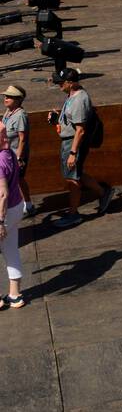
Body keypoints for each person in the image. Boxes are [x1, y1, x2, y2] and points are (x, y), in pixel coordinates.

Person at [49, 68, 113, 228]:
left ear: (71, 83)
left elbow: (80, 130)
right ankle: (104, 193)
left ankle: (73, 215)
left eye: (60, 83)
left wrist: (72, 152)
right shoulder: (72, 95)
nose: (58, 85)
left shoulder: (79, 100)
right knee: (75, 173)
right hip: (68, 140)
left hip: (72, 143)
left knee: (72, 179)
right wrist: (58, 118)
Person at [0, 122, 25, 310]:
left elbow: (2, 194)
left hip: (5, 212)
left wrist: (0, 222)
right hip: (17, 208)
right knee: (11, 249)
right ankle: (15, 295)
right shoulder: (9, 154)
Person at [2, 85, 33, 219]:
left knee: (19, 180)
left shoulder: (20, 115)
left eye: (9, 97)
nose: (6, 99)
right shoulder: (8, 113)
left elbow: (23, 138)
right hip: (8, 155)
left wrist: (19, 157)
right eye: (5, 96)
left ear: (18, 100)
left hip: (16, 155)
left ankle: (28, 205)